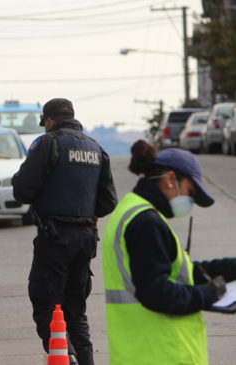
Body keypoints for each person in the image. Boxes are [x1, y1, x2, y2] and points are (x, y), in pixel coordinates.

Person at [102, 140, 236, 365]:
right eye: (190, 192)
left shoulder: (134, 210)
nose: (190, 201)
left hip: (144, 351)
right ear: (170, 179)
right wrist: (210, 294)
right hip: (161, 353)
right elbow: (157, 292)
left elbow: (181, 270)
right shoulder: (146, 222)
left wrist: (231, 268)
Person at [12, 98, 117, 365]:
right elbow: (108, 202)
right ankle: (85, 360)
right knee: (75, 311)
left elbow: (22, 190)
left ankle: (65, 358)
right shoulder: (96, 148)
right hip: (85, 239)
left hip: (55, 237)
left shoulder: (48, 143)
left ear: (49, 120)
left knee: (46, 304)